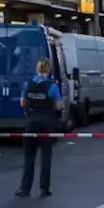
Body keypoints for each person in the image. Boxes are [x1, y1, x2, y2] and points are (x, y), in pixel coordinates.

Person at [17, 57, 64, 197]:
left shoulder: (28, 84)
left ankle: (25, 189)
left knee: (29, 157)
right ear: (48, 70)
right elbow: (58, 105)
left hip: (32, 122)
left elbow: (22, 103)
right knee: (46, 156)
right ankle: (44, 188)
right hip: (46, 123)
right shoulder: (52, 86)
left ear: (37, 69)